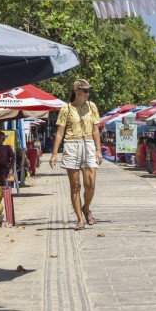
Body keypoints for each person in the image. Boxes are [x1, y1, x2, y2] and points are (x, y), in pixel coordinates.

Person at [50, 78, 102, 230]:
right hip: (72, 145)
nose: (87, 93)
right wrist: (54, 153)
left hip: (88, 144)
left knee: (90, 184)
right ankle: (80, 219)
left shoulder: (92, 106)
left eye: (88, 91)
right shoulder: (66, 109)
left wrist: (98, 150)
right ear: (76, 91)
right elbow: (60, 133)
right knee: (75, 186)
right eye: (84, 90)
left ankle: (86, 208)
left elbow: (95, 130)